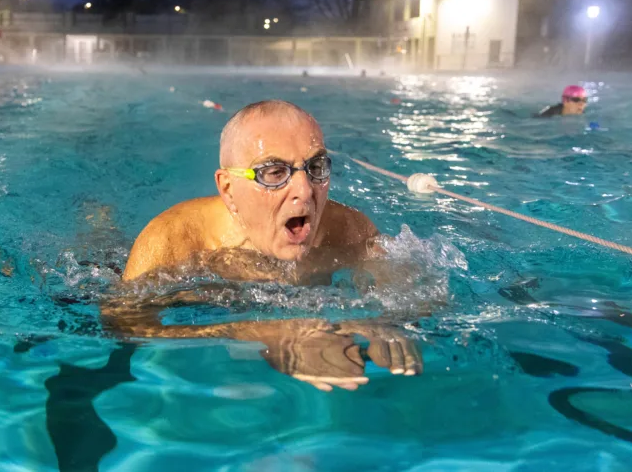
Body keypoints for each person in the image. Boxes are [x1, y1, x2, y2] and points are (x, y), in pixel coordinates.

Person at [103, 99, 422, 391]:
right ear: (228, 189)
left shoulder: (349, 231)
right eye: (274, 172)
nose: (305, 190)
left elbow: (412, 287)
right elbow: (124, 324)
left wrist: (381, 322)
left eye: (315, 168)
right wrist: (265, 332)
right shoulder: (174, 241)